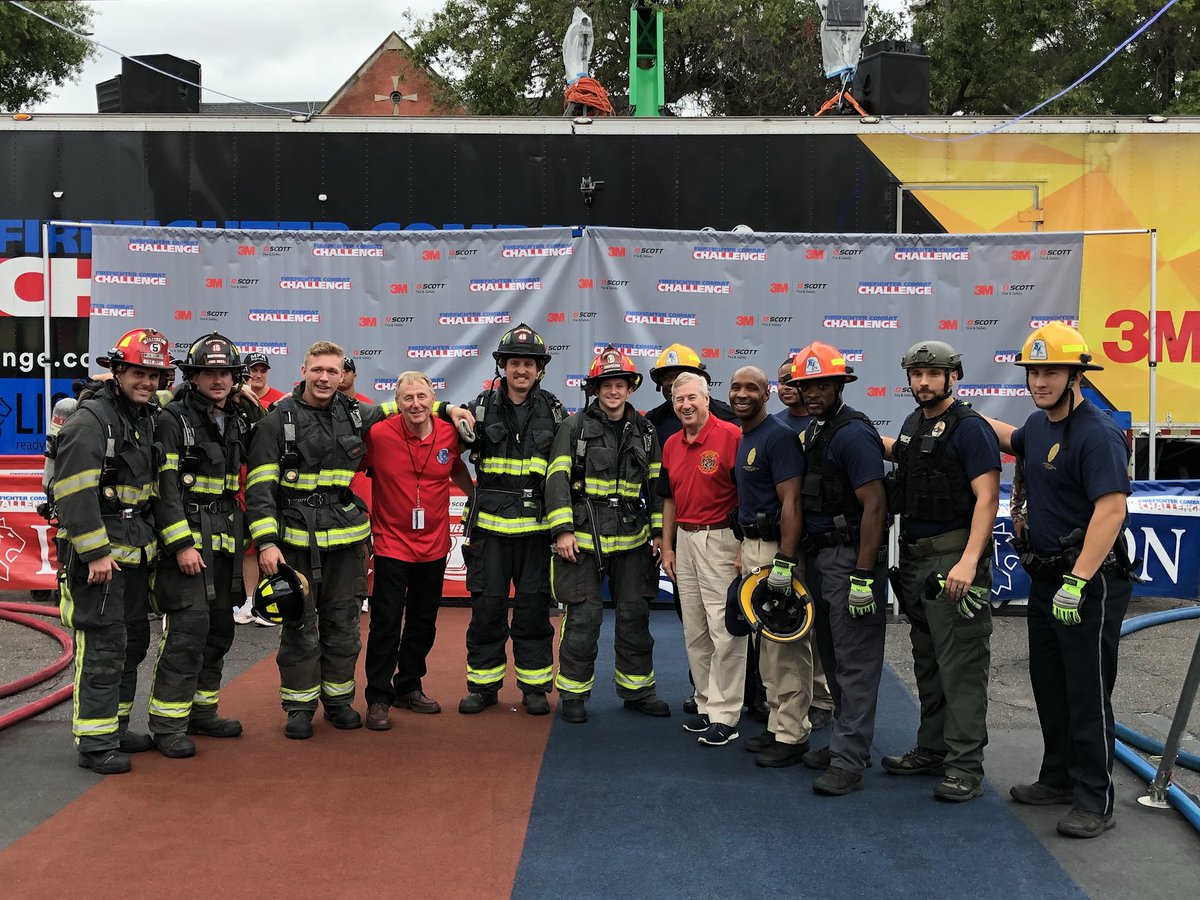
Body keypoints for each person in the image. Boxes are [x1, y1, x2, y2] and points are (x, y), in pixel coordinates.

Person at [985, 321, 1133, 839]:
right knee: (1049, 685)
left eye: (1051, 372)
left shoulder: (1098, 434)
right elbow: (1012, 439)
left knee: (1087, 692)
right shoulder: (1038, 423)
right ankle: (1059, 779)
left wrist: (1078, 580)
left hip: (1088, 583)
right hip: (1048, 577)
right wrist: (960, 411)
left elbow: (1111, 511)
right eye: (1033, 372)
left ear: (1076, 376)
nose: (1039, 381)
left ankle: (1096, 800)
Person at [245, 341, 395, 739]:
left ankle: (339, 701)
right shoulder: (277, 420)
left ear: (342, 375)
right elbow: (260, 489)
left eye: (332, 371)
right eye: (318, 370)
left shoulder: (357, 413)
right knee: (299, 626)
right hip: (295, 543)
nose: (324, 378)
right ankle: (299, 707)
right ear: (304, 371)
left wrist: (447, 410)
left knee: (343, 624)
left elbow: (406, 407)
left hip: (347, 543)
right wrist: (266, 543)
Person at [879, 341, 1000, 802]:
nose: (924, 382)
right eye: (916, 374)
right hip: (916, 562)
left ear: (954, 376)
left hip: (953, 560)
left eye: (933, 374)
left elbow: (988, 498)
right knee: (928, 665)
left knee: (961, 668)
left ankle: (965, 768)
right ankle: (932, 750)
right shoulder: (914, 423)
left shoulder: (971, 429)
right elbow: (904, 459)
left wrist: (968, 560)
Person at [52, 327, 172, 774]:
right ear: (117, 371)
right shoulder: (92, 421)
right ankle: (95, 741)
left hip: (134, 555)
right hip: (99, 561)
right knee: (103, 647)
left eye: (154, 375)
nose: (147, 382)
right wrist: (95, 552)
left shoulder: (142, 417)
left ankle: (115, 728)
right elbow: (72, 491)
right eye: (138, 372)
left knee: (130, 643)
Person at [147, 333, 262, 758]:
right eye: (208, 373)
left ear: (236, 377)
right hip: (189, 543)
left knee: (219, 630)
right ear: (192, 377)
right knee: (188, 632)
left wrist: (255, 409)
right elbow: (164, 489)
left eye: (226, 373)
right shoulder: (172, 419)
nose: (218, 380)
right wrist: (180, 545)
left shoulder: (237, 416)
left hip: (224, 539)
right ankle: (167, 724)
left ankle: (201, 712)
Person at [546, 346, 668, 724]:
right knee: (583, 619)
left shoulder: (646, 431)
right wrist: (563, 530)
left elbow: (656, 486)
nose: (613, 391)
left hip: (632, 539)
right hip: (584, 539)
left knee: (634, 616)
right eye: (606, 385)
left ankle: (637, 690)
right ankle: (573, 693)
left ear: (630, 388)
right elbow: (557, 479)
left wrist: (659, 532)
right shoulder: (574, 427)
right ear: (595, 389)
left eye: (620, 385)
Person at [787, 342, 888, 796]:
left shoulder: (853, 434)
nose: (812, 393)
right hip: (822, 558)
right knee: (831, 656)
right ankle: (848, 745)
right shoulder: (817, 430)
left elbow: (875, 507)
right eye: (805, 386)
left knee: (855, 663)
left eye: (821, 385)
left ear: (839, 386)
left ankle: (849, 761)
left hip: (850, 561)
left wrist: (863, 574)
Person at [456, 323, 564, 715]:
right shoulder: (478, 408)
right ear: (503, 365)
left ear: (540, 369)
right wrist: (473, 495)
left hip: (536, 532)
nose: (521, 370)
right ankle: (483, 687)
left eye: (529, 364)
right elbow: (446, 454)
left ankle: (534, 688)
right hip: (489, 532)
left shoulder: (555, 412)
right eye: (515, 363)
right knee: (487, 610)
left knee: (534, 612)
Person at [362, 372, 474, 731]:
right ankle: (378, 698)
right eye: (408, 398)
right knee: (386, 623)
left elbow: (456, 470)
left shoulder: (449, 433)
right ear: (397, 403)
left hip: (435, 546)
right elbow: (348, 466)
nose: (416, 404)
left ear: (433, 399)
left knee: (423, 623)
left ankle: (408, 686)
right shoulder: (378, 435)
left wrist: (477, 499)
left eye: (422, 397)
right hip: (392, 545)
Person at [645, 343, 744, 717]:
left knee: (725, 628)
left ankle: (725, 712)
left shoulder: (731, 434)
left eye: (691, 397)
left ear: (706, 397)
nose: (685, 404)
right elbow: (668, 498)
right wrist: (669, 547)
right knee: (695, 629)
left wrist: (744, 546)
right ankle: (705, 702)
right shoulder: (670, 442)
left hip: (721, 538)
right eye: (678, 398)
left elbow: (747, 494)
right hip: (684, 541)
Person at [727, 366, 811, 766]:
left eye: (752, 388)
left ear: (767, 395)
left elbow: (792, 502)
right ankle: (778, 725)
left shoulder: (778, 436)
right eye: (736, 387)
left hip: (777, 552)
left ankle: (793, 735)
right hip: (754, 547)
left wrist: (785, 563)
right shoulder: (748, 434)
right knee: (766, 646)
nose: (741, 394)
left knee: (786, 648)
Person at [774, 356, 835, 732]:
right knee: (789, 622)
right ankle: (783, 699)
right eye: (782, 380)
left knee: (817, 623)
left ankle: (822, 697)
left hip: (820, 539)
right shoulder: (772, 425)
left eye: (792, 380)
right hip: (785, 540)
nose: (787, 386)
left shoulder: (823, 423)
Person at [236, 351, 287, 625]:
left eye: (262, 370)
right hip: (241, 482)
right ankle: (250, 600)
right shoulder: (235, 400)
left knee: (270, 542)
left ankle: (273, 599)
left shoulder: (280, 400)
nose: (257, 375)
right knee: (248, 547)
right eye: (252, 370)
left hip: (269, 483)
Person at [339, 356, 374, 613]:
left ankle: (361, 593)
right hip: (331, 482)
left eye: (347, 370)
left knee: (361, 540)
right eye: (338, 370)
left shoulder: (366, 406)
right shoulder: (319, 406)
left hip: (360, 479)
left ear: (354, 375)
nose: (342, 375)